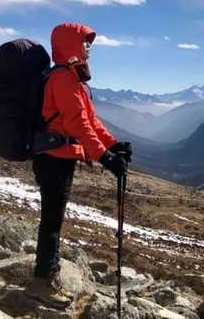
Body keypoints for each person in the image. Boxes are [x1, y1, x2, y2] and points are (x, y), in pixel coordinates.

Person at [24, 22, 132, 308]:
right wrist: (104, 157)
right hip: (52, 159)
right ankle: (41, 283)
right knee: (52, 221)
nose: (89, 48)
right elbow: (76, 123)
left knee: (53, 219)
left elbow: (90, 121)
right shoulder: (63, 79)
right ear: (70, 44)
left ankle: (48, 273)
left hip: (59, 156)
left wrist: (111, 144)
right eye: (85, 42)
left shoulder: (72, 78)